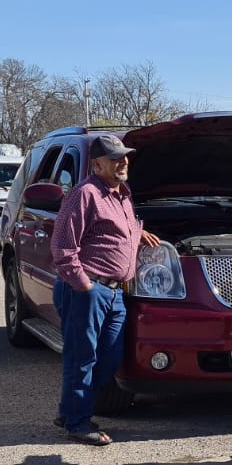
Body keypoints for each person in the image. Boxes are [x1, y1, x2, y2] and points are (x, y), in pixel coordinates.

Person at [50, 134, 160, 446]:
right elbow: (62, 248)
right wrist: (84, 285)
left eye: (124, 156)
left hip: (115, 293)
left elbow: (114, 230)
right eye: (114, 158)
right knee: (81, 358)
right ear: (97, 165)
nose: (123, 162)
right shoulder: (84, 194)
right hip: (87, 290)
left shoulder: (122, 194)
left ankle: (69, 410)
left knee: (110, 357)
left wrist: (138, 232)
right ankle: (78, 423)